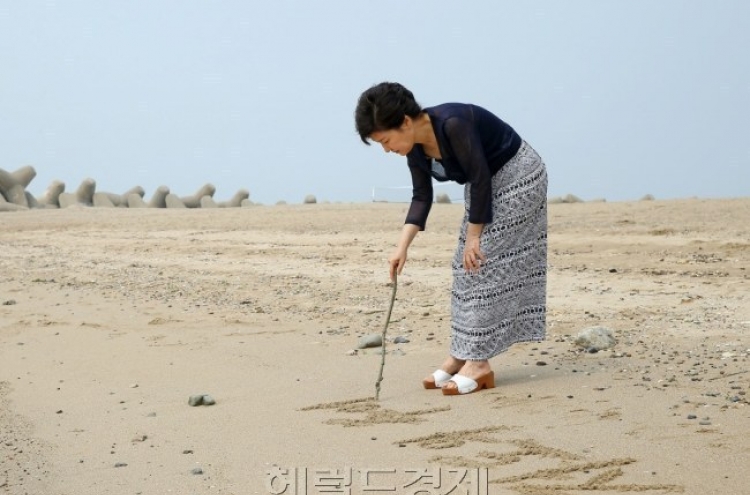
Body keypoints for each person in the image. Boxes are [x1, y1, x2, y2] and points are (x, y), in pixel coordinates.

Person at [354, 82, 548, 395]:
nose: (386, 149)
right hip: (484, 183)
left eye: (385, 140)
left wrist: (475, 238)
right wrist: (401, 248)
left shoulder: (453, 124)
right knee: (463, 267)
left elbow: (482, 177)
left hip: (518, 175)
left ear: (405, 122)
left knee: (482, 261)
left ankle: (479, 364)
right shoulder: (415, 148)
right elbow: (421, 197)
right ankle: (462, 353)